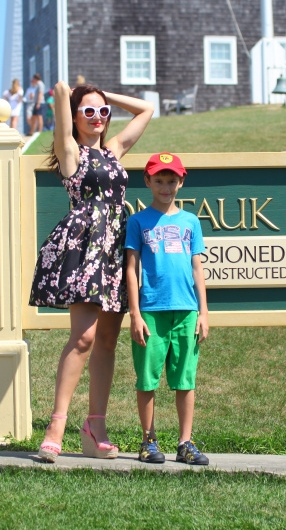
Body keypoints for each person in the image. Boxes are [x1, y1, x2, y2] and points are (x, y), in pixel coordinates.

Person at [29, 80, 154, 462]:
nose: (98, 118)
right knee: (82, 340)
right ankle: (57, 426)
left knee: (106, 344)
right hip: (84, 250)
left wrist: (103, 96)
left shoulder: (114, 151)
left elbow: (146, 110)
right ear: (75, 115)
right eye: (89, 111)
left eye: (103, 113)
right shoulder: (70, 152)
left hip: (115, 250)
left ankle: (95, 426)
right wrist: (70, 94)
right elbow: (60, 96)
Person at [125, 152, 210, 466]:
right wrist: (135, 314)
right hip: (150, 310)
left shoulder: (190, 222)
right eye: (159, 180)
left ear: (181, 182)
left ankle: (185, 443)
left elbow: (197, 268)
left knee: (185, 379)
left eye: (171, 180)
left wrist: (204, 313)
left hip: (186, 310)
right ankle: (148, 441)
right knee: (147, 380)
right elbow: (131, 269)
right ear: (148, 182)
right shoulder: (138, 221)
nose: (165, 186)